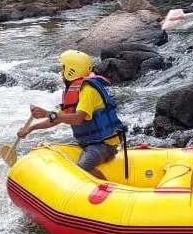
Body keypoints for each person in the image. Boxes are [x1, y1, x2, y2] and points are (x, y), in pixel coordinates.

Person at [18, 50, 125, 180]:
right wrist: (30, 129)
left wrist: (48, 114)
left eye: (63, 68)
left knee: (82, 167)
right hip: (89, 142)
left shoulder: (88, 91)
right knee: (51, 149)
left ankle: (108, 189)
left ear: (71, 70)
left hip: (104, 145)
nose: (61, 73)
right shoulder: (74, 91)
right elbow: (57, 119)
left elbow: (78, 119)